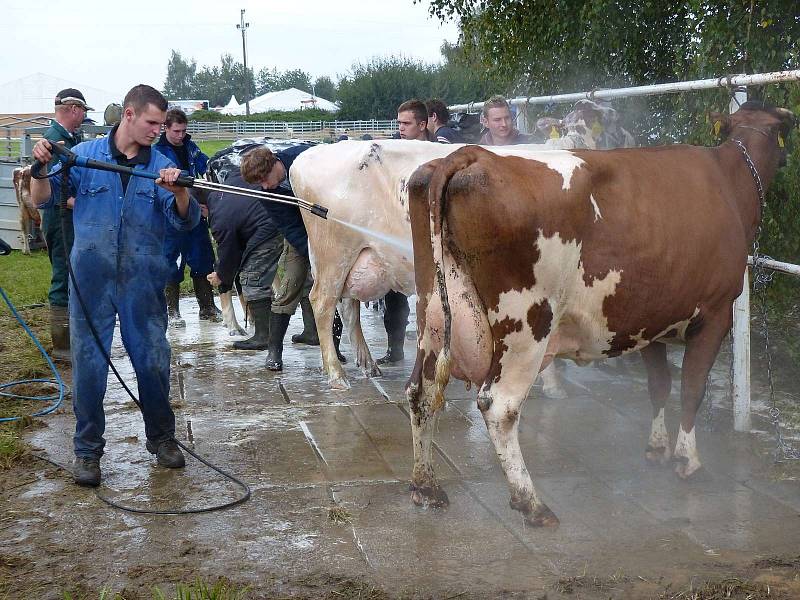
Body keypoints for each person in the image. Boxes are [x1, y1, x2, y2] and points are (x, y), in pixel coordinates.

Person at [29, 84, 201, 487]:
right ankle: (87, 452)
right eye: (151, 122)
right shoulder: (83, 158)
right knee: (88, 366)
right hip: (91, 278)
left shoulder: (160, 166)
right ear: (128, 114)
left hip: (143, 279)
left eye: (162, 124)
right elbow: (42, 198)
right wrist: (39, 167)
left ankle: (162, 439)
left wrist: (179, 193)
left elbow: (186, 220)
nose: (157, 130)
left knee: (153, 360)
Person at [239, 144, 322, 371]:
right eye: (259, 184)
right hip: (300, 236)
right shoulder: (268, 193)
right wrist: (314, 258)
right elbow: (290, 227)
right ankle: (274, 351)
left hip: (329, 228)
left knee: (331, 291)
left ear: (275, 163)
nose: (265, 186)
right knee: (288, 286)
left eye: (265, 179)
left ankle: (332, 348)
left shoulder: (304, 158)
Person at [154, 108, 221, 326]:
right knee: (170, 260)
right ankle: (172, 311)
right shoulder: (158, 153)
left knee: (202, 257)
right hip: (169, 216)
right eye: (176, 131)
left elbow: (206, 166)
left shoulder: (191, 148)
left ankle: (207, 306)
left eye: (183, 131)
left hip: (195, 213)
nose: (180, 135)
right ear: (166, 128)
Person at [205, 168, 284, 351]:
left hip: (268, 226)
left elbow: (228, 250)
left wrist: (221, 275)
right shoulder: (225, 190)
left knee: (252, 278)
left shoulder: (218, 214)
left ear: (203, 207)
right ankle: (311, 331)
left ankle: (264, 336)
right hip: (275, 216)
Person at [40, 88, 92, 362]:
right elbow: (57, 189)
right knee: (63, 272)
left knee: (71, 273)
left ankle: (72, 338)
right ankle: (62, 346)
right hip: (60, 217)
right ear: (73, 109)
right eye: (83, 111)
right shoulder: (54, 142)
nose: (84, 116)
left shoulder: (67, 139)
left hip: (67, 217)